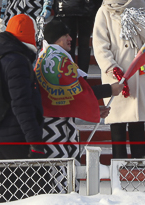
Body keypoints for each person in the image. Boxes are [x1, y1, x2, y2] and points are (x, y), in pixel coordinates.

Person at [93, 0, 145, 158]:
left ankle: (140, 157)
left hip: (139, 70)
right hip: (117, 71)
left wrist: (140, 21)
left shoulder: (141, 6)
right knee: (117, 119)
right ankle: (118, 158)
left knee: (137, 119)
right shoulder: (105, 10)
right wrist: (111, 67)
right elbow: (100, 44)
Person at [36, 18, 119, 160]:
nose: (70, 38)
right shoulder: (58, 60)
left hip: (53, 126)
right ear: (56, 38)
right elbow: (76, 91)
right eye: (65, 35)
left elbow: (68, 98)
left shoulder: (47, 56)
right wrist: (109, 90)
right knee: (61, 175)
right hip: (56, 128)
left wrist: (94, 108)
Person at [0, 13, 46, 161]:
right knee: (36, 184)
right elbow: (21, 104)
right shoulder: (17, 61)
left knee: (5, 183)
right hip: (15, 137)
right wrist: (35, 142)